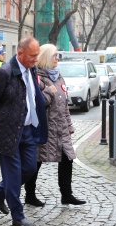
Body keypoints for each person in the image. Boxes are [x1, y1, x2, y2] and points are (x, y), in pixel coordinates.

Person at [0, 37, 48, 226]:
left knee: (29, 168)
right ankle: (17, 216)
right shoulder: (5, 73)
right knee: (12, 174)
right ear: (20, 53)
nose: (36, 59)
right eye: (33, 55)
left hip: (26, 129)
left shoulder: (31, 69)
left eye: (37, 55)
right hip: (7, 131)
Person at [24, 44, 86, 207]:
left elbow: (64, 104)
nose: (57, 58)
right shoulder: (37, 77)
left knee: (67, 160)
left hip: (61, 129)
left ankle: (67, 195)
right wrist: (49, 91)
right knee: (36, 162)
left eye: (58, 55)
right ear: (46, 57)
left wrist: (69, 125)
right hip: (45, 129)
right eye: (54, 56)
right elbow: (39, 103)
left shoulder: (58, 76)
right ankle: (29, 195)